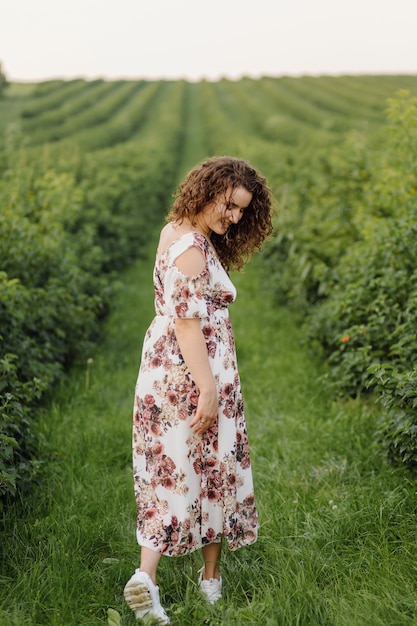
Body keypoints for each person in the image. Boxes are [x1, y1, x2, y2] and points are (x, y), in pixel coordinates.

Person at [124, 156, 273, 624]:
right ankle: (203, 582)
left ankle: (152, 579)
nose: (234, 217)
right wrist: (208, 390)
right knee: (212, 467)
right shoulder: (191, 245)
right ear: (208, 192)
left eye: (242, 211)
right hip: (193, 371)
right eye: (229, 206)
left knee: (170, 470)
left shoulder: (177, 230)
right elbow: (188, 324)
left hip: (166, 369)